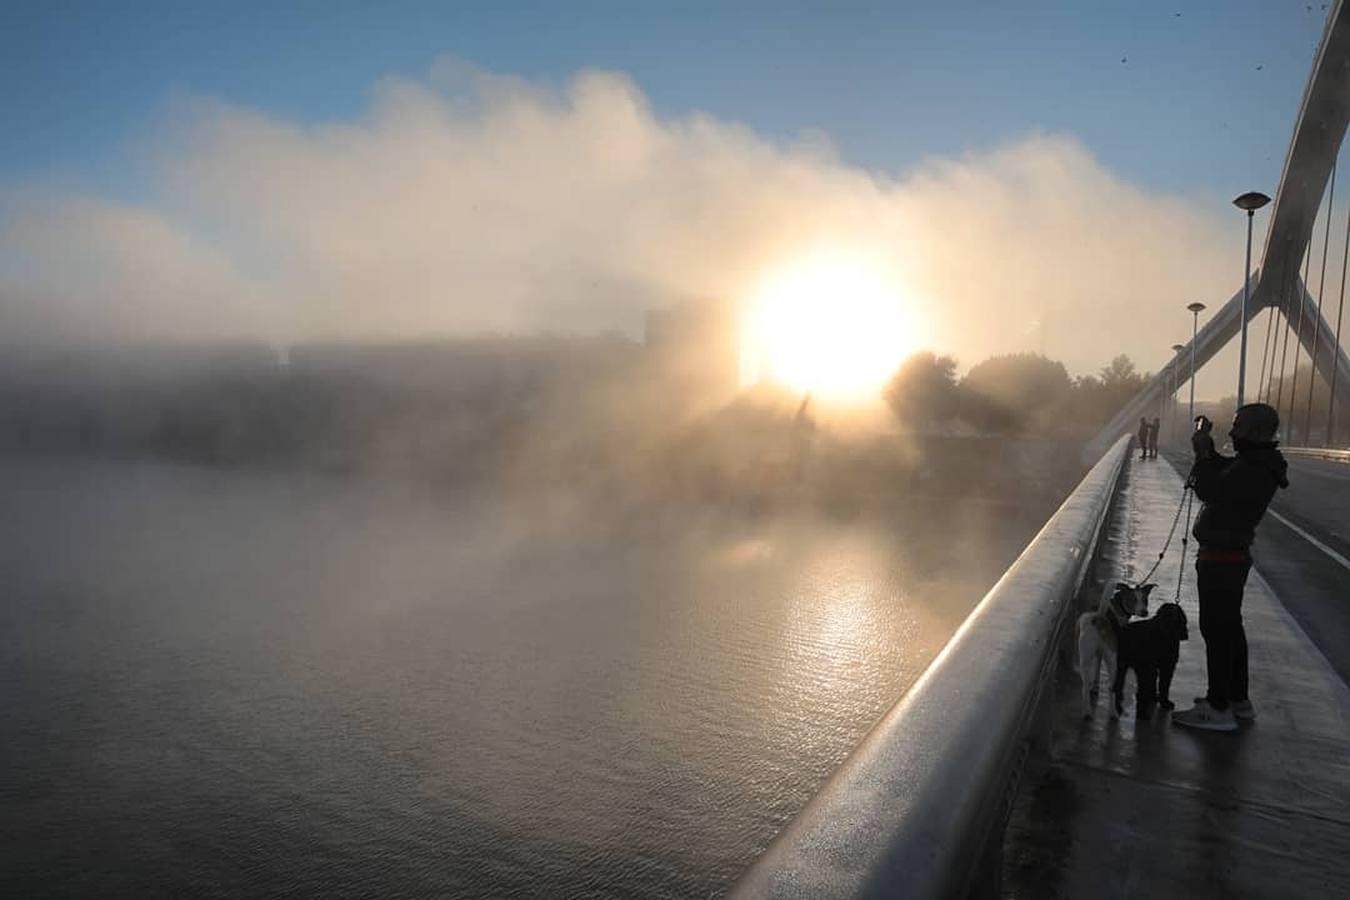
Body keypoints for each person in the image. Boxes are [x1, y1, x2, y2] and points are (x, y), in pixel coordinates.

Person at [1172, 403, 1289, 732]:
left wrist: (1203, 455)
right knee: (1230, 629)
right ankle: (1238, 700)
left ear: (1253, 431)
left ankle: (1218, 706)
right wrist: (1207, 448)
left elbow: (1212, 488)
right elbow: (1225, 473)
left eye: (1237, 427)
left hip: (1222, 559)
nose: (1232, 432)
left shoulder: (1254, 468)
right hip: (1228, 557)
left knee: (1217, 630)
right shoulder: (1258, 462)